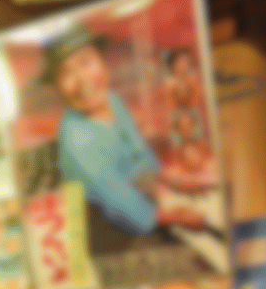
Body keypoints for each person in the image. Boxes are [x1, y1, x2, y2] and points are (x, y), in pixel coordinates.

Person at [47, 23, 206, 242]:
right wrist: (178, 218)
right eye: (66, 73)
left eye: (85, 63)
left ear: (104, 64)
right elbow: (118, 201)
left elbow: (138, 151)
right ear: (57, 88)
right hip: (105, 228)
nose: (81, 80)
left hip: (140, 201)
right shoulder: (77, 142)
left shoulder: (112, 99)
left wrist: (174, 181)